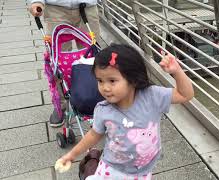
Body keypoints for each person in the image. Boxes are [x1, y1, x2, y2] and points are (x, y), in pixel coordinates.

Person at [56, 43, 194, 179]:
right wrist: (71, 155)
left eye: (112, 80)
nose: (105, 87)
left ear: (133, 79)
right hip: (112, 170)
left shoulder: (152, 96)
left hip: (143, 171)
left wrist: (177, 72)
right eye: (100, 80)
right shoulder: (103, 110)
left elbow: (185, 95)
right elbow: (93, 135)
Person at [28, 0, 101, 127]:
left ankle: (98, 100)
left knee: (96, 58)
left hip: (87, 7)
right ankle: (60, 105)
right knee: (56, 61)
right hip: (56, 8)